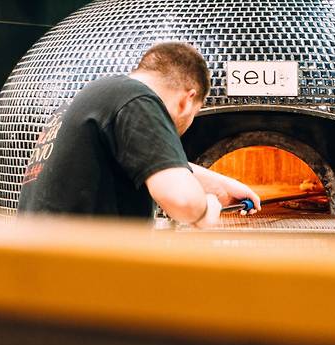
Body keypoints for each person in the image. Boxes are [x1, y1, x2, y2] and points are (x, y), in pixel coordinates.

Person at [17, 42, 261, 227]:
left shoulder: (99, 98)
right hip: (79, 270)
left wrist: (222, 185)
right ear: (188, 100)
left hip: (43, 264)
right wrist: (207, 209)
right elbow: (183, 201)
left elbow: (152, 160)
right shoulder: (138, 99)